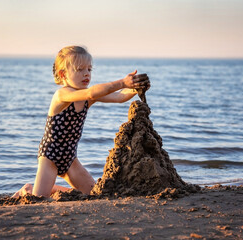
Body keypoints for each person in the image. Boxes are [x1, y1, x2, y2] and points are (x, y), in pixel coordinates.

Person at [12, 46, 150, 198]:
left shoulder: (87, 98)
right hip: (50, 156)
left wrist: (136, 87)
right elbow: (91, 92)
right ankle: (29, 189)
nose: (86, 74)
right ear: (63, 74)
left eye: (89, 69)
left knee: (94, 195)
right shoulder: (61, 95)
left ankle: (53, 190)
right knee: (37, 199)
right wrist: (123, 82)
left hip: (70, 158)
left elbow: (119, 97)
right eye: (80, 69)